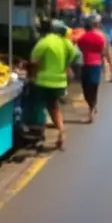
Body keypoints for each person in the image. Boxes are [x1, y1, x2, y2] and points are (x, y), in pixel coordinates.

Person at [29, 20, 79, 151]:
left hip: (43, 81)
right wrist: (65, 64)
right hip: (60, 82)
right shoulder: (66, 43)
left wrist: (33, 76)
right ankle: (61, 130)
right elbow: (75, 55)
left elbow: (34, 60)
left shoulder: (45, 41)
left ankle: (40, 136)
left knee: (39, 107)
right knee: (54, 106)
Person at [76, 15, 112, 123]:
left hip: (85, 65)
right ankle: (92, 108)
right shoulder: (101, 37)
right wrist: (110, 66)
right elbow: (105, 52)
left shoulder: (82, 37)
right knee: (94, 88)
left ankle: (91, 108)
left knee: (86, 89)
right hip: (96, 65)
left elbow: (79, 49)